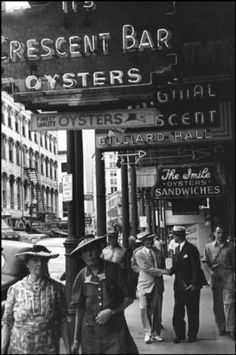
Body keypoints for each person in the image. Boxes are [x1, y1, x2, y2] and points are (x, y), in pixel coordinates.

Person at [70, 234, 139, 354]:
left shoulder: (114, 270)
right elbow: (79, 309)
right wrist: (76, 339)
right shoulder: (81, 276)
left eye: (92, 249)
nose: (89, 254)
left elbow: (129, 297)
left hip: (115, 331)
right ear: (81, 256)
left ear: (99, 250)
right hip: (90, 334)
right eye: (85, 251)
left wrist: (112, 311)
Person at [1, 244, 71, 354]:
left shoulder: (57, 289)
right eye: (35, 260)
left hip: (48, 349)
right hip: (19, 349)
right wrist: (3, 347)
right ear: (27, 264)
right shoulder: (15, 289)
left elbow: (63, 320)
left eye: (44, 260)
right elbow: (7, 321)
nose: (40, 264)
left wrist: (69, 349)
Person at [167, 225, 205, 343]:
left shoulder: (191, 248)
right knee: (178, 312)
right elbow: (176, 266)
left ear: (180, 236)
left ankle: (192, 335)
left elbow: (196, 268)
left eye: (174, 235)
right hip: (179, 286)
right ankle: (180, 335)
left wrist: (194, 284)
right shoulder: (176, 249)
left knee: (192, 312)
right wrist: (168, 271)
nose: (173, 237)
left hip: (190, 287)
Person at [202, 225, 235, 339]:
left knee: (230, 303)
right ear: (214, 234)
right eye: (218, 233)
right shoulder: (208, 247)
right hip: (215, 277)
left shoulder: (230, 247)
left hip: (228, 276)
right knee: (218, 304)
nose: (220, 235)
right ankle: (221, 327)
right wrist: (210, 272)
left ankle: (232, 328)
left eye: (222, 233)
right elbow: (204, 261)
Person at [135, 231, 167, 344]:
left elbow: (163, 263)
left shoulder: (158, 251)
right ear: (143, 242)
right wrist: (163, 272)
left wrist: (167, 267)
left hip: (157, 284)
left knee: (157, 309)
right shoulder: (139, 253)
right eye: (147, 240)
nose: (150, 241)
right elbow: (147, 268)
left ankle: (156, 333)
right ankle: (147, 333)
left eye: (151, 239)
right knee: (144, 308)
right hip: (144, 285)